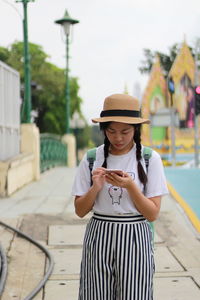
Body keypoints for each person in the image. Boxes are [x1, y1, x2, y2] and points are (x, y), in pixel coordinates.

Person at [72, 93, 168, 300]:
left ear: (136, 129)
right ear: (104, 129)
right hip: (99, 233)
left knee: (135, 294)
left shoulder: (150, 159)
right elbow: (80, 211)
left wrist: (131, 186)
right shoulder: (92, 158)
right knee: (94, 294)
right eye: (111, 131)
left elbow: (152, 214)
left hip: (135, 234)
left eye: (125, 131)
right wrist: (96, 187)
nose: (118, 138)